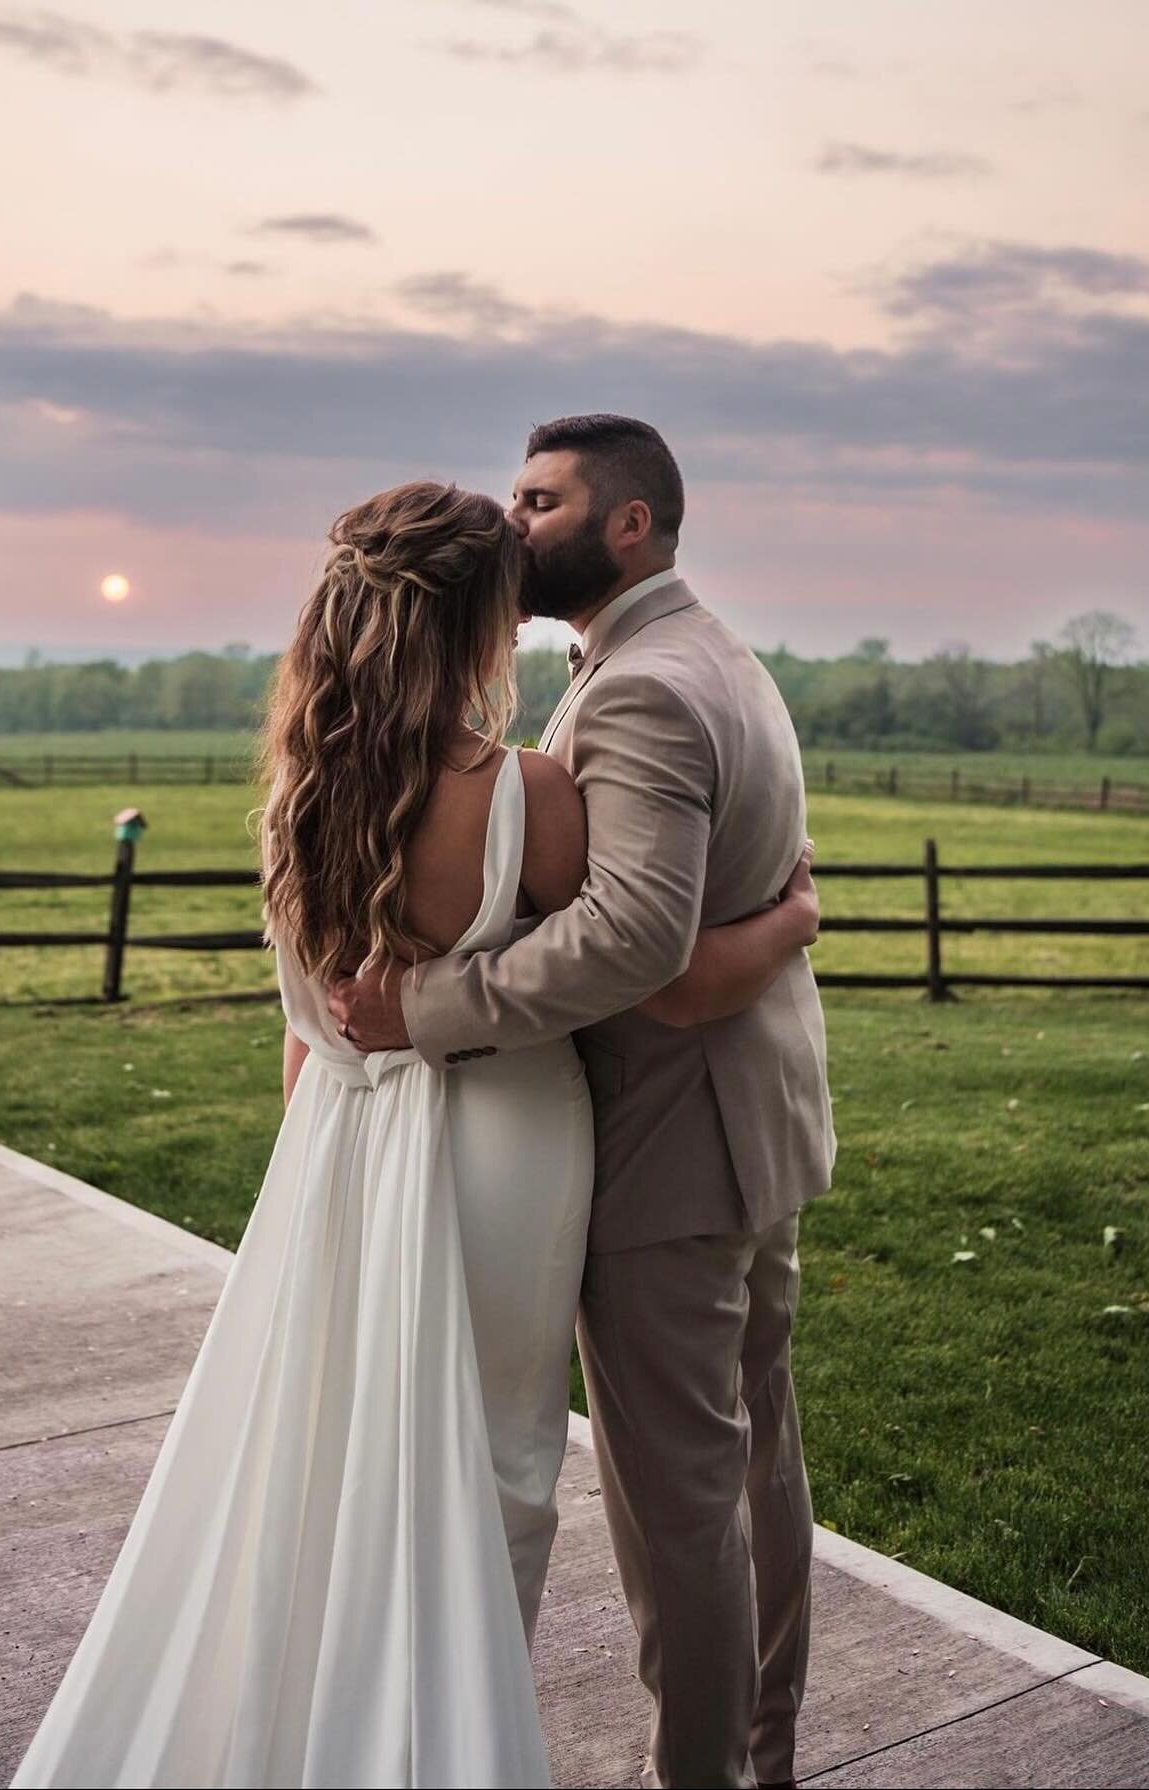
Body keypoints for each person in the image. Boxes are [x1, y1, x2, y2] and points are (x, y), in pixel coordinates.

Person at [11, 478, 818, 1789]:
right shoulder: (529, 796)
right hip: (504, 1152)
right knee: (493, 1467)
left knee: (335, 1456)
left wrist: (334, 1164)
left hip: (334, 1140)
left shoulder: (296, 796)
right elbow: (651, 968)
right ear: (474, 630)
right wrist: (784, 923)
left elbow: (305, 1032)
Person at [331, 421, 836, 1790]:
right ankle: (763, 1751)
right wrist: (787, 923)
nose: (515, 520)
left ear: (629, 525)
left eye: (541, 499)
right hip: (755, 1121)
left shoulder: (638, 691)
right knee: (751, 1465)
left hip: (678, 1146)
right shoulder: (707, 653)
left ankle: (710, 1772)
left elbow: (634, 945)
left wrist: (425, 1010)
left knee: (680, 1505)